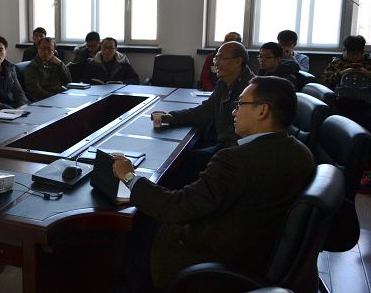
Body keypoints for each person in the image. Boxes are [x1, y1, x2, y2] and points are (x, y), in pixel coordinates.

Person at [112, 76, 314, 291]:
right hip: (256, 248)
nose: (234, 112)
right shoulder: (302, 153)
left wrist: (130, 177)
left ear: (262, 111)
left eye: (240, 105)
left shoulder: (236, 161)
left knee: (136, 225)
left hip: (215, 259)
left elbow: (176, 208)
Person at [156, 41, 254, 184]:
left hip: (237, 151)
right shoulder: (223, 83)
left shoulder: (251, 90)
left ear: (238, 61)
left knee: (183, 164)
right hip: (223, 144)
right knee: (182, 159)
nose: (216, 63)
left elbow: (250, 134)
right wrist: (172, 117)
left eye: (221, 59)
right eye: (215, 59)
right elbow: (206, 110)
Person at [0, 35, 29, 111]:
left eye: (1, 50)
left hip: (14, 109)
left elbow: (19, 93)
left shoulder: (10, 68)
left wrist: (24, 107)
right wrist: (13, 111)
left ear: (5, 52)